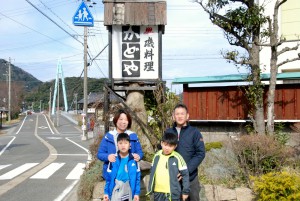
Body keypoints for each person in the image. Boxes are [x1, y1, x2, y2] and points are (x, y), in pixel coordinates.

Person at [165, 103, 205, 201]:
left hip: (191, 177)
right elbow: (162, 151)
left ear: (187, 116)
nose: (179, 116)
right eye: (177, 114)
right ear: (173, 116)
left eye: (182, 114)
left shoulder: (194, 132)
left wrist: (185, 170)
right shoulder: (168, 132)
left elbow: (200, 153)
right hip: (173, 178)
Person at [97, 109, 144, 180]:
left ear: (129, 122)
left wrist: (139, 156)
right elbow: (100, 154)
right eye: (121, 119)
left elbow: (140, 152)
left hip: (129, 174)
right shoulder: (109, 136)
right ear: (116, 120)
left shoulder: (133, 136)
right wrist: (108, 157)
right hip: (112, 175)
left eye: (126, 120)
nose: (123, 122)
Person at [147, 132, 190, 201]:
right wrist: (150, 188)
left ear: (175, 146)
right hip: (158, 192)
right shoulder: (156, 156)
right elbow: (152, 171)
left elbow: (185, 175)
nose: (167, 148)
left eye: (170, 146)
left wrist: (185, 191)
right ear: (161, 143)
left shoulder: (177, 157)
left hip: (172, 193)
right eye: (165, 145)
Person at [103, 133, 140, 201]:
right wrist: (106, 193)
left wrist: (136, 193)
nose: (123, 145)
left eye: (126, 143)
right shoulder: (113, 159)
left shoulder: (134, 159)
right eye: (120, 143)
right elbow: (108, 178)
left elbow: (137, 178)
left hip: (129, 191)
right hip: (116, 190)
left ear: (130, 145)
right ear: (117, 145)